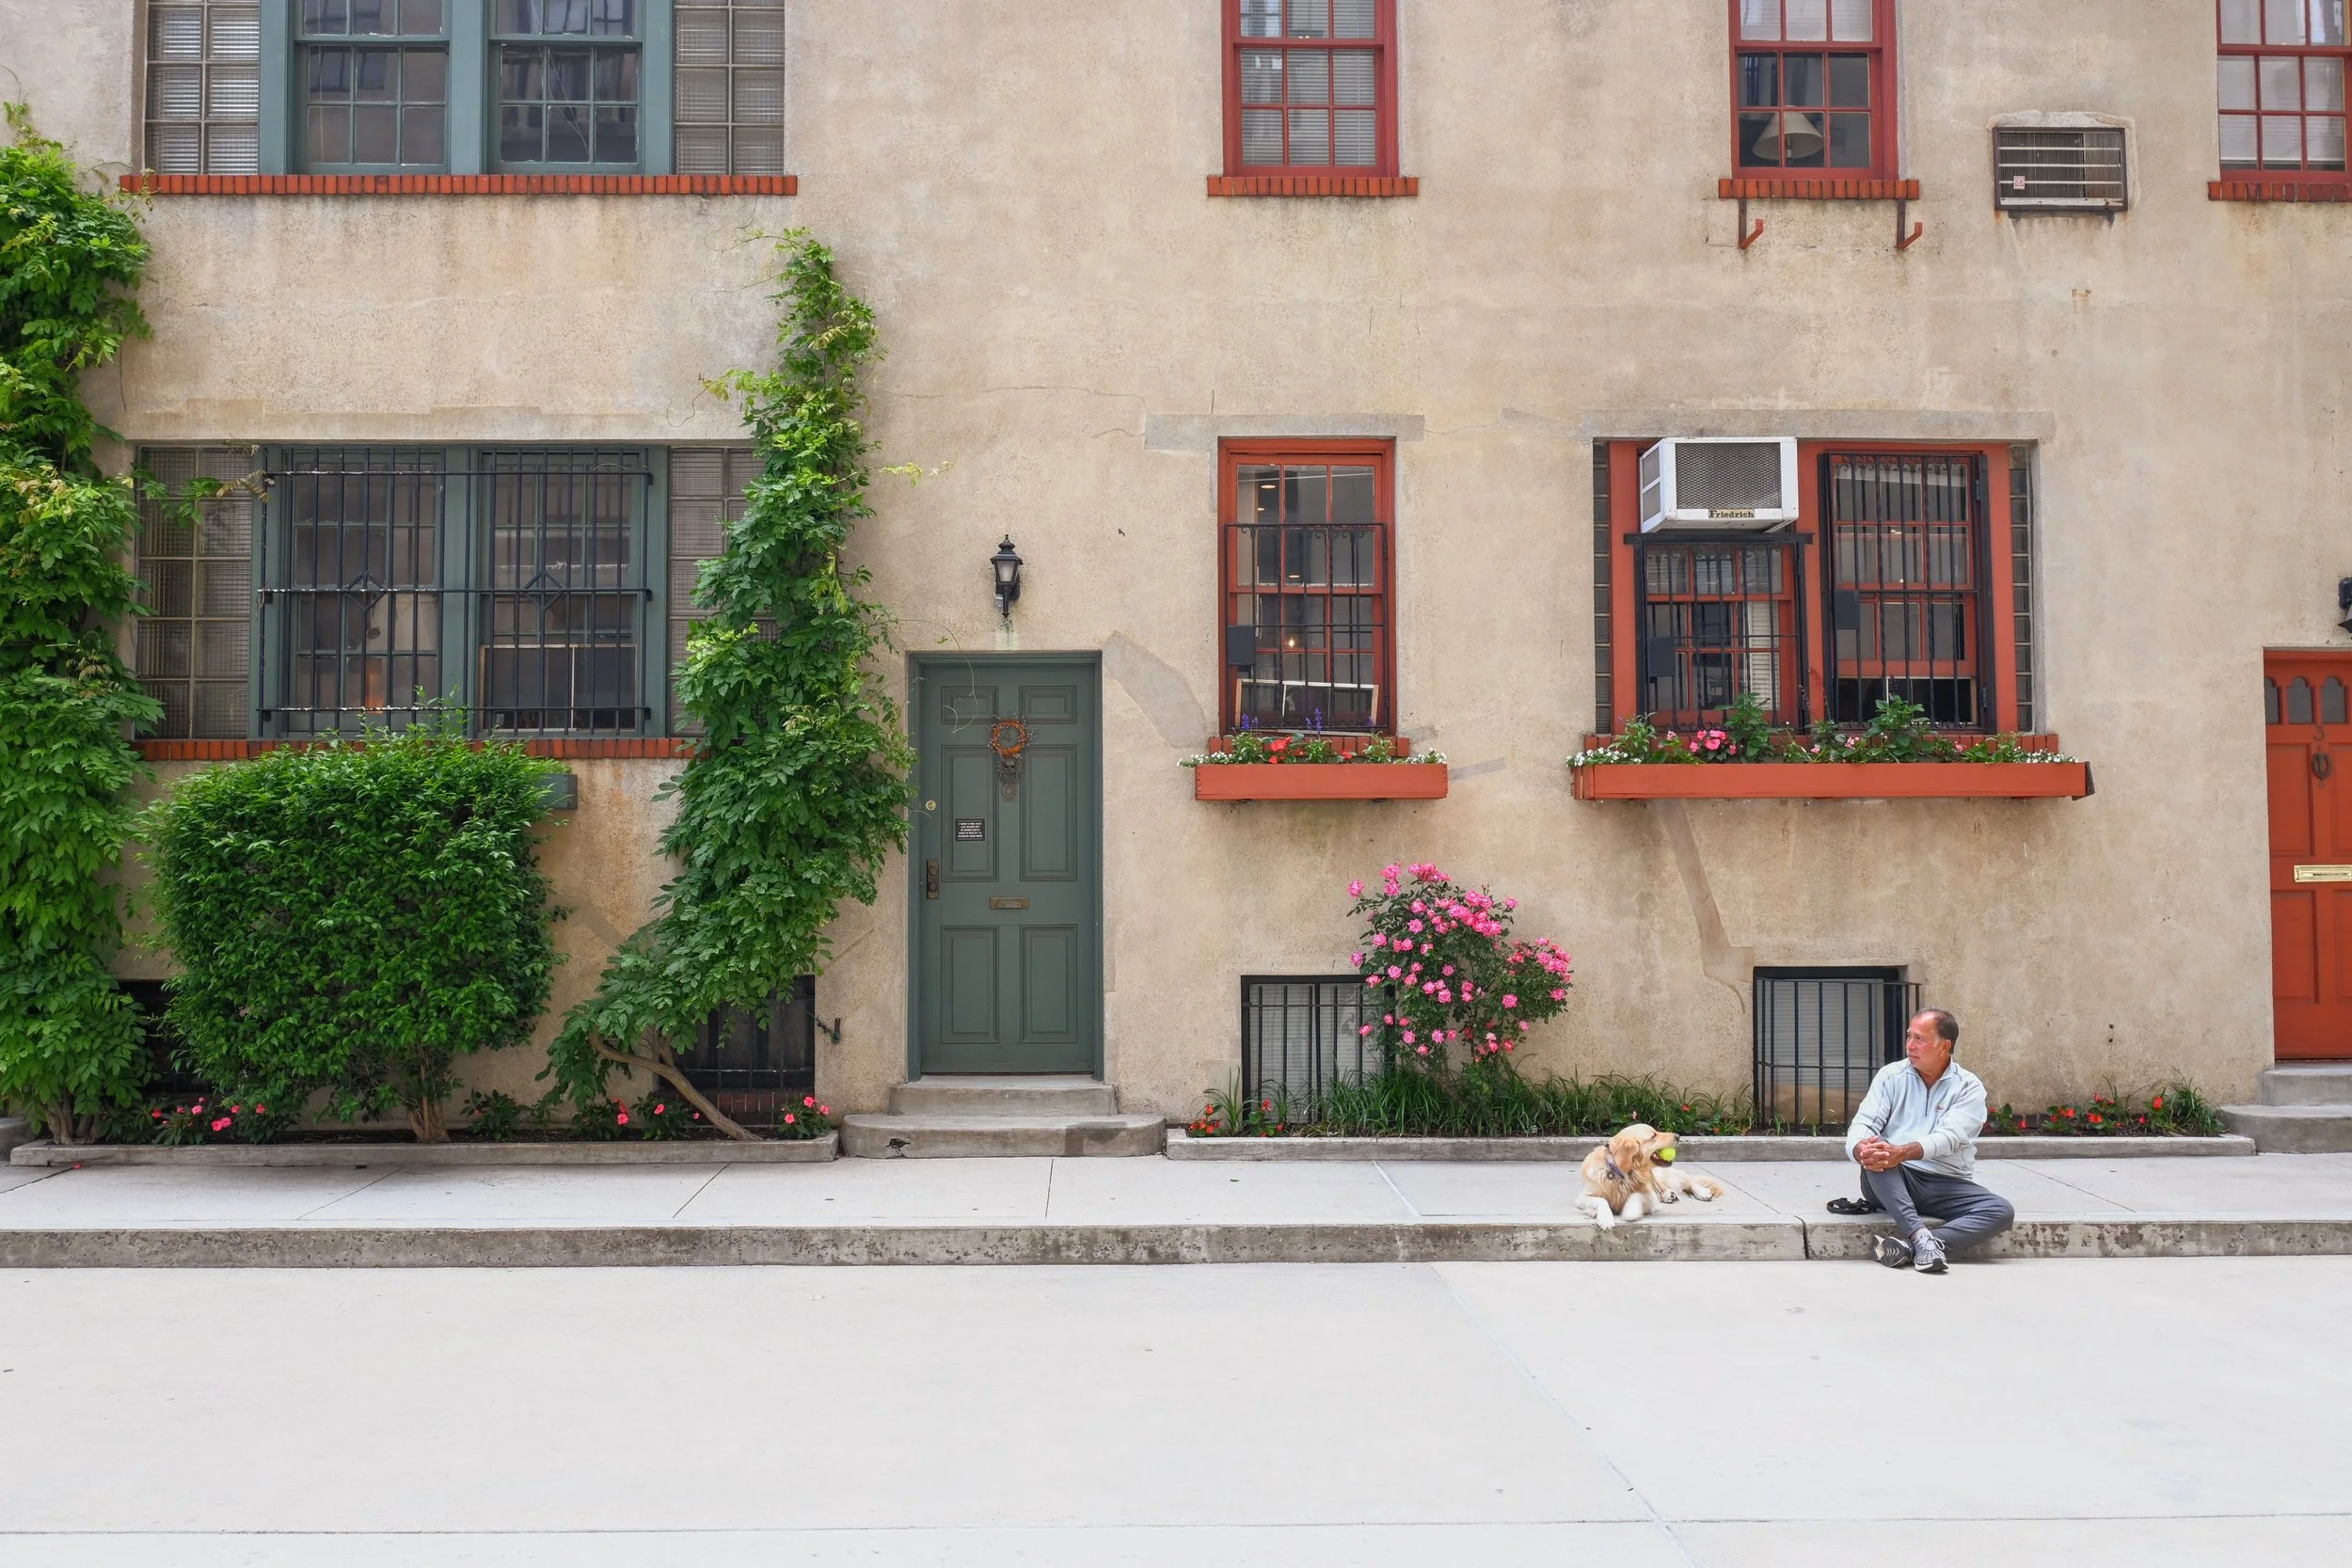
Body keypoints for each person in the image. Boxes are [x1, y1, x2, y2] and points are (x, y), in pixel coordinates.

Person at [1830, 1008, 2015, 1274]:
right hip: (1892, 1178)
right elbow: (1865, 1123)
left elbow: (1950, 1137)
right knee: (1879, 1156)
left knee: (2000, 1211)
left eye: (1919, 1038)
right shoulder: (1891, 1076)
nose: (1909, 1045)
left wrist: (1902, 1151)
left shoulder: (1968, 1087)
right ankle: (1919, 1236)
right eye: (1909, 1036)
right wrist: (1861, 1148)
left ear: (1945, 1046)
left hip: (1946, 1183)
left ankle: (1912, 1247)